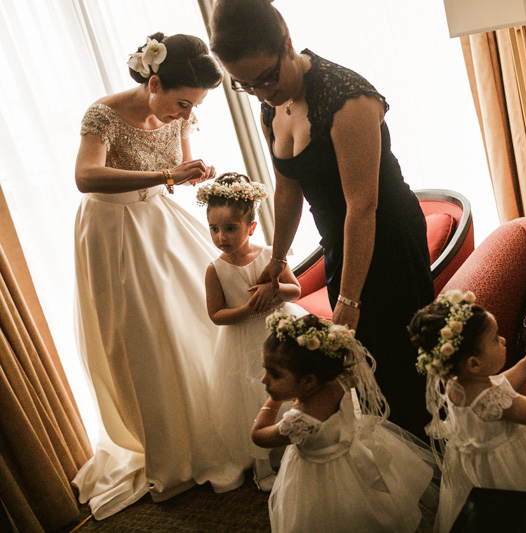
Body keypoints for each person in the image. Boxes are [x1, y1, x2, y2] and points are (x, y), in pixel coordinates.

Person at [210, 0, 434, 438]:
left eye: (267, 78)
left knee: (397, 363)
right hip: (340, 240)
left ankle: (432, 470)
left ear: (287, 44)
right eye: (245, 85)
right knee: (359, 368)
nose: (261, 93)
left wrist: (349, 303)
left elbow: (362, 207)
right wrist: (276, 259)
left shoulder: (348, 99)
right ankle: (392, 465)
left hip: (384, 238)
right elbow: (288, 185)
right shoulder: (270, 104)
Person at [72, 33, 236, 519]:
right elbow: (85, 176)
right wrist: (167, 177)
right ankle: (167, 445)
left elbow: (178, 167)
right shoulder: (102, 115)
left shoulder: (180, 111)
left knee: (196, 321)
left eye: (195, 107)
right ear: (155, 81)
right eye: (181, 103)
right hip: (112, 231)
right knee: (142, 336)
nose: (186, 116)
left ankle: (212, 428)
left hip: (160, 222)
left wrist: (194, 173)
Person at [408, 290, 526, 532]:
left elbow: (498, 384)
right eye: (496, 339)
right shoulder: (490, 398)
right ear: (474, 363)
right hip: (510, 467)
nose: (504, 340)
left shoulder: (458, 383)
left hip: (474, 466)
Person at [253, 311, 437, 532]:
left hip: (318, 481)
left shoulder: (299, 420)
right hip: (353, 457)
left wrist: (272, 402)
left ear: (309, 381)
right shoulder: (339, 379)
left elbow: (259, 435)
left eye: (274, 374)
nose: (264, 380)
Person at [198, 172, 306, 491]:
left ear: (251, 227)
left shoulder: (270, 255)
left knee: (291, 389)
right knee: (250, 399)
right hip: (243, 345)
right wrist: (247, 309)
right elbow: (216, 314)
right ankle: (261, 466)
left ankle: (296, 451)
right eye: (214, 229)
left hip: (280, 333)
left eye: (230, 228)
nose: (221, 237)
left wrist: (274, 290)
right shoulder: (214, 270)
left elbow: (296, 291)